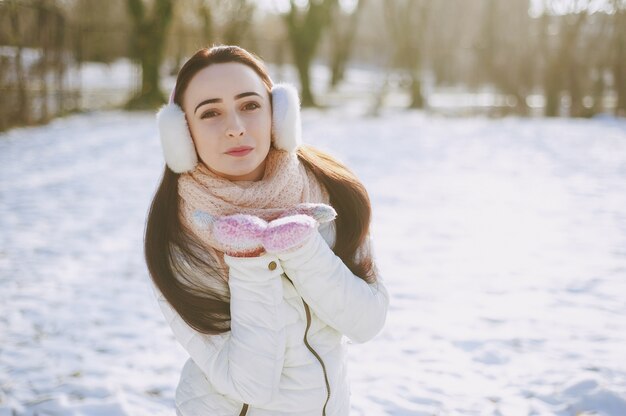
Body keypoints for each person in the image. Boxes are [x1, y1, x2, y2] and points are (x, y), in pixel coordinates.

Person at [144, 45, 390, 416]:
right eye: (210, 113)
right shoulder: (178, 237)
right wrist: (248, 259)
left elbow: (367, 322)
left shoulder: (327, 192)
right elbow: (251, 383)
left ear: (279, 115)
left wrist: (301, 247)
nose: (236, 128)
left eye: (250, 105)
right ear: (182, 134)